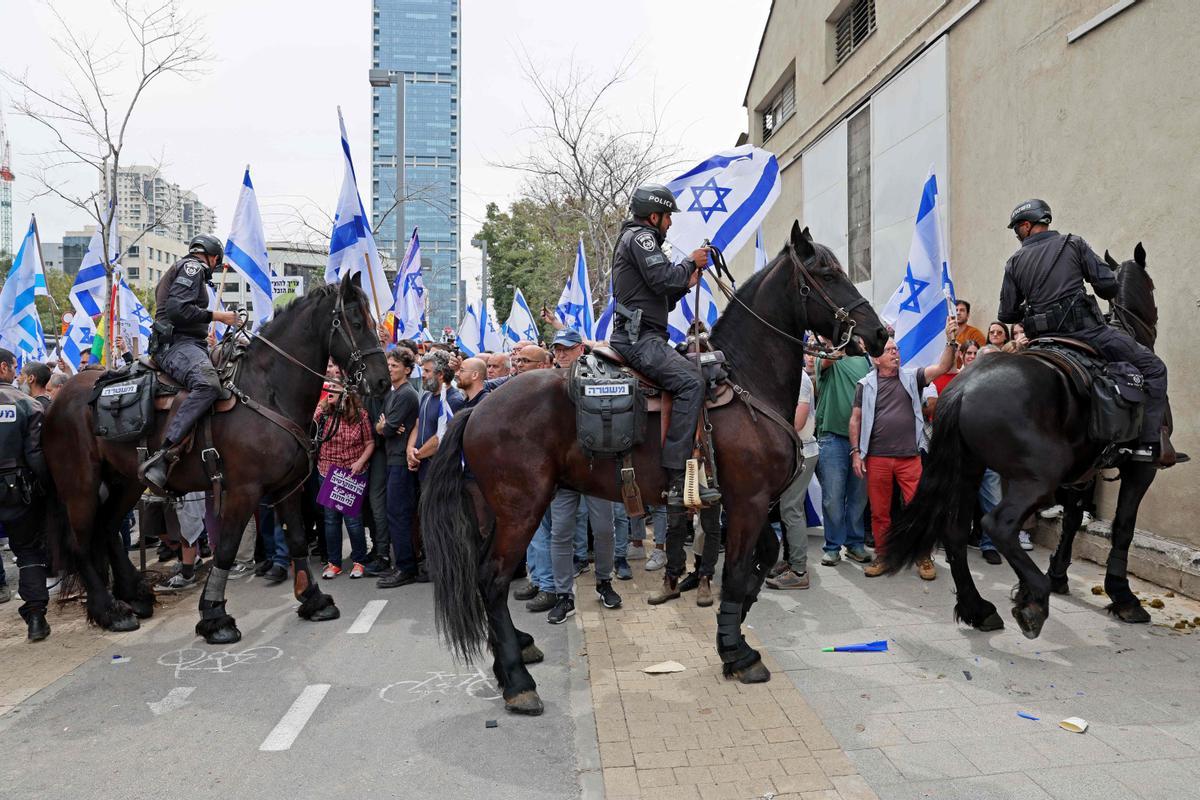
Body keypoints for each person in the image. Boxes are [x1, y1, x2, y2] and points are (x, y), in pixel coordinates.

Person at [1000, 198, 1180, 465]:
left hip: (1039, 342)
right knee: (1154, 368)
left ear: (1027, 225)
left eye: (1017, 229)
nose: (1017, 235)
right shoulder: (1074, 243)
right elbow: (1108, 286)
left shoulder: (1013, 262)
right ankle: (1148, 443)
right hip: (1086, 334)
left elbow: (1007, 315)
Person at [609, 184, 718, 509]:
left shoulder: (639, 240)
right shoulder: (641, 238)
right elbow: (661, 278)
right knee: (691, 382)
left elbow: (661, 297)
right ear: (653, 216)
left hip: (646, 335)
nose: (670, 223)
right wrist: (689, 262)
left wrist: (686, 284)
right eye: (668, 217)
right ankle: (675, 479)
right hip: (638, 339)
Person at [855, 318, 958, 579]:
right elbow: (855, 418)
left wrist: (950, 339)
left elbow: (944, 366)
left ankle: (923, 556)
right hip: (877, 458)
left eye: (896, 350)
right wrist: (856, 452)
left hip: (909, 459)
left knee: (917, 508)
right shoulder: (864, 384)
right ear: (876, 358)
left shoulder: (913, 376)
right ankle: (883, 556)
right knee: (879, 513)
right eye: (890, 350)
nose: (895, 353)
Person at [140, 234, 240, 490]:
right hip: (176, 346)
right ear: (212, 256)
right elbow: (178, 310)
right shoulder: (192, 267)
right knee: (207, 383)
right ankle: (164, 453)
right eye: (217, 262)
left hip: (191, 344)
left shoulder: (186, 268)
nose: (215, 266)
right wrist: (219, 316)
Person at [545, 328, 622, 624]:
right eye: (557, 349)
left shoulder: (600, 376)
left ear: (581, 349)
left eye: (566, 348)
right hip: (563, 474)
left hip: (595, 469)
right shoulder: (546, 385)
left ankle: (605, 582)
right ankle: (564, 595)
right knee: (560, 533)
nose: (561, 354)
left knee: (604, 529)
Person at [0, 348, 51, 640]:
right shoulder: (29, 404)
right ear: (4, 367)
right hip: (19, 491)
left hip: (16, 486)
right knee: (29, 552)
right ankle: (35, 619)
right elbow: (36, 455)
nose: (17, 372)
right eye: (14, 366)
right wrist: (47, 487)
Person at [813, 339, 872, 567]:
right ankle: (833, 547)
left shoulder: (865, 361)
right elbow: (828, 359)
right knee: (833, 497)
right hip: (832, 439)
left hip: (862, 441)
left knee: (858, 497)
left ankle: (855, 544)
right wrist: (837, 341)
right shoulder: (826, 357)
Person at [766, 362, 821, 590]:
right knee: (789, 509)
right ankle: (790, 562)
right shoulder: (787, 375)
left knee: (791, 509)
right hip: (794, 454)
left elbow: (797, 424)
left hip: (803, 453)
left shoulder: (800, 380)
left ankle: (798, 571)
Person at [314, 387, 375, 579]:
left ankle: (359, 560)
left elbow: (370, 443)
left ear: (347, 393)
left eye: (335, 388)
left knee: (353, 520)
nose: (329, 391)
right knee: (330, 520)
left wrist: (360, 462)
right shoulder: (323, 413)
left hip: (352, 472)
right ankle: (334, 563)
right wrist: (321, 409)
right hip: (327, 471)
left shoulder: (360, 415)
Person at [375, 348, 421, 588]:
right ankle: (404, 562)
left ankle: (406, 567)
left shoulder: (406, 395)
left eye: (394, 366)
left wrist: (387, 427)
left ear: (407, 370)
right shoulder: (392, 394)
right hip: (392, 458)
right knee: (395, 513)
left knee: (399, 513)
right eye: (389, 365)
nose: (390, 369)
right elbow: (380, 426)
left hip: (402, 462)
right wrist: (385, 426)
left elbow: (389, 428)